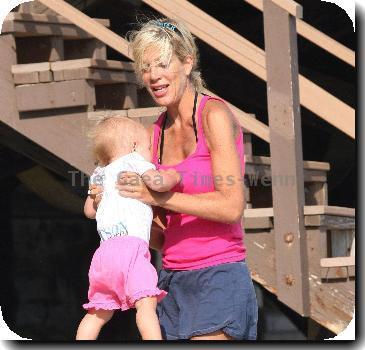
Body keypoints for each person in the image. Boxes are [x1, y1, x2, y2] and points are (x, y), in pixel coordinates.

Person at [94, 17, 258, 340]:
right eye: (146, 67)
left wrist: (156, 197)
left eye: (162, 63)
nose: (153, 76)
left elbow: (231, 207)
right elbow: (160, 236)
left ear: (187, 62)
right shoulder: (153, 136)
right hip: (169, 282)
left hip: (219, 276)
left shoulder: (214, 115)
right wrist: (114, 207)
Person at [76, 116, 181, 340]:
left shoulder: (100, 172)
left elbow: (89, 212)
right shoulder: (135, 160)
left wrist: (96, 198)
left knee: (97, 313)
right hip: (131, 250)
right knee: (146, 305)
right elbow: (157, 183)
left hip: (104, 255)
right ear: (134, 145)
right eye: (148, 147)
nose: (150, 153)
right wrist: (173, 175)